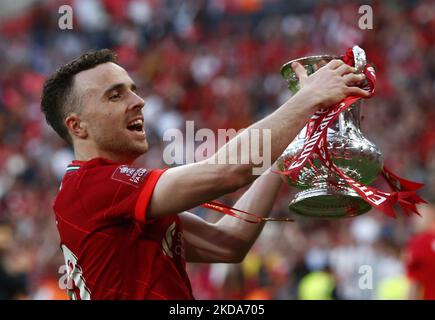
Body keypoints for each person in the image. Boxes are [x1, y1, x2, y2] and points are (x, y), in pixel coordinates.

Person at [40, 49, 368, 300]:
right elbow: (228, 171)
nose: (139, 101)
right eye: (115, 95)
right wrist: (307, 98)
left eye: (133, 90)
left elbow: (228, 243)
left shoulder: (114, 196)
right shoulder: (90, 185)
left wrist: (283, 160)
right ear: (77, 126)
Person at [405, 203, 435, 300]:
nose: (414, 220)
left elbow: (414, 285)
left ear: (430, 215)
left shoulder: (419, 243)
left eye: (417, 215)